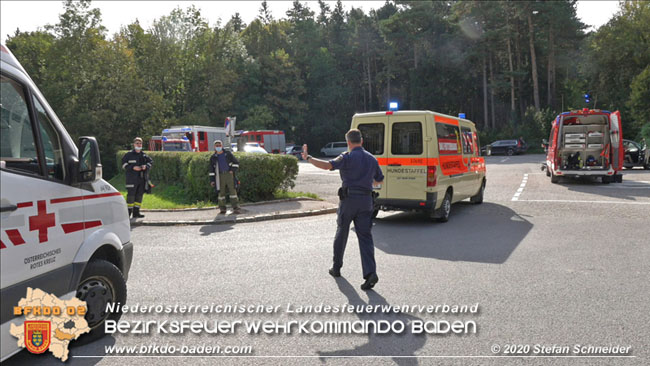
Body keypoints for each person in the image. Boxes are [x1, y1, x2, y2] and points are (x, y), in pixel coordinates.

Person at [302, 129, 384, 290]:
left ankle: (337, 268)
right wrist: (366, 184)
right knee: (366, 238)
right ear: (361, 141)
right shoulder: (372, 159)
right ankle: (370, 273)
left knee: (342, 232)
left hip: (349, 201)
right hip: (367, 201)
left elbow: (327, 166)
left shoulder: (346, 157)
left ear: (348, 142)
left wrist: (309, 158)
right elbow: (379, 180)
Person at [121, 137, 153, 218]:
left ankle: (136, 212)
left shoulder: (144, 155)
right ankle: (128, 214)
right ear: (134, 144)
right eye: (137, 143)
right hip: (131, 179)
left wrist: (146, 166)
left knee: (139, 195)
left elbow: (151, 162)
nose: (139, 145)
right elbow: (123, 164)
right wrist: (132, 167)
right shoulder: (128, 155)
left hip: (141, 179)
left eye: (140, 143)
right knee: (131, 196)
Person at [210, 140, 241, 214]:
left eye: (219, 145)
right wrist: (212, 180)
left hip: (229, 175)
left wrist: (232, 170)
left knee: (232, 191)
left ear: (222, 146)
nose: (218, 147)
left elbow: (236, 163)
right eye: (216, 146)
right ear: (214, 147)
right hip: (219, 176)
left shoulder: (228, 154)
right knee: (221, 192)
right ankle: (222, 208)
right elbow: (211, 170)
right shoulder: (213, 157)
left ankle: (236, 207)